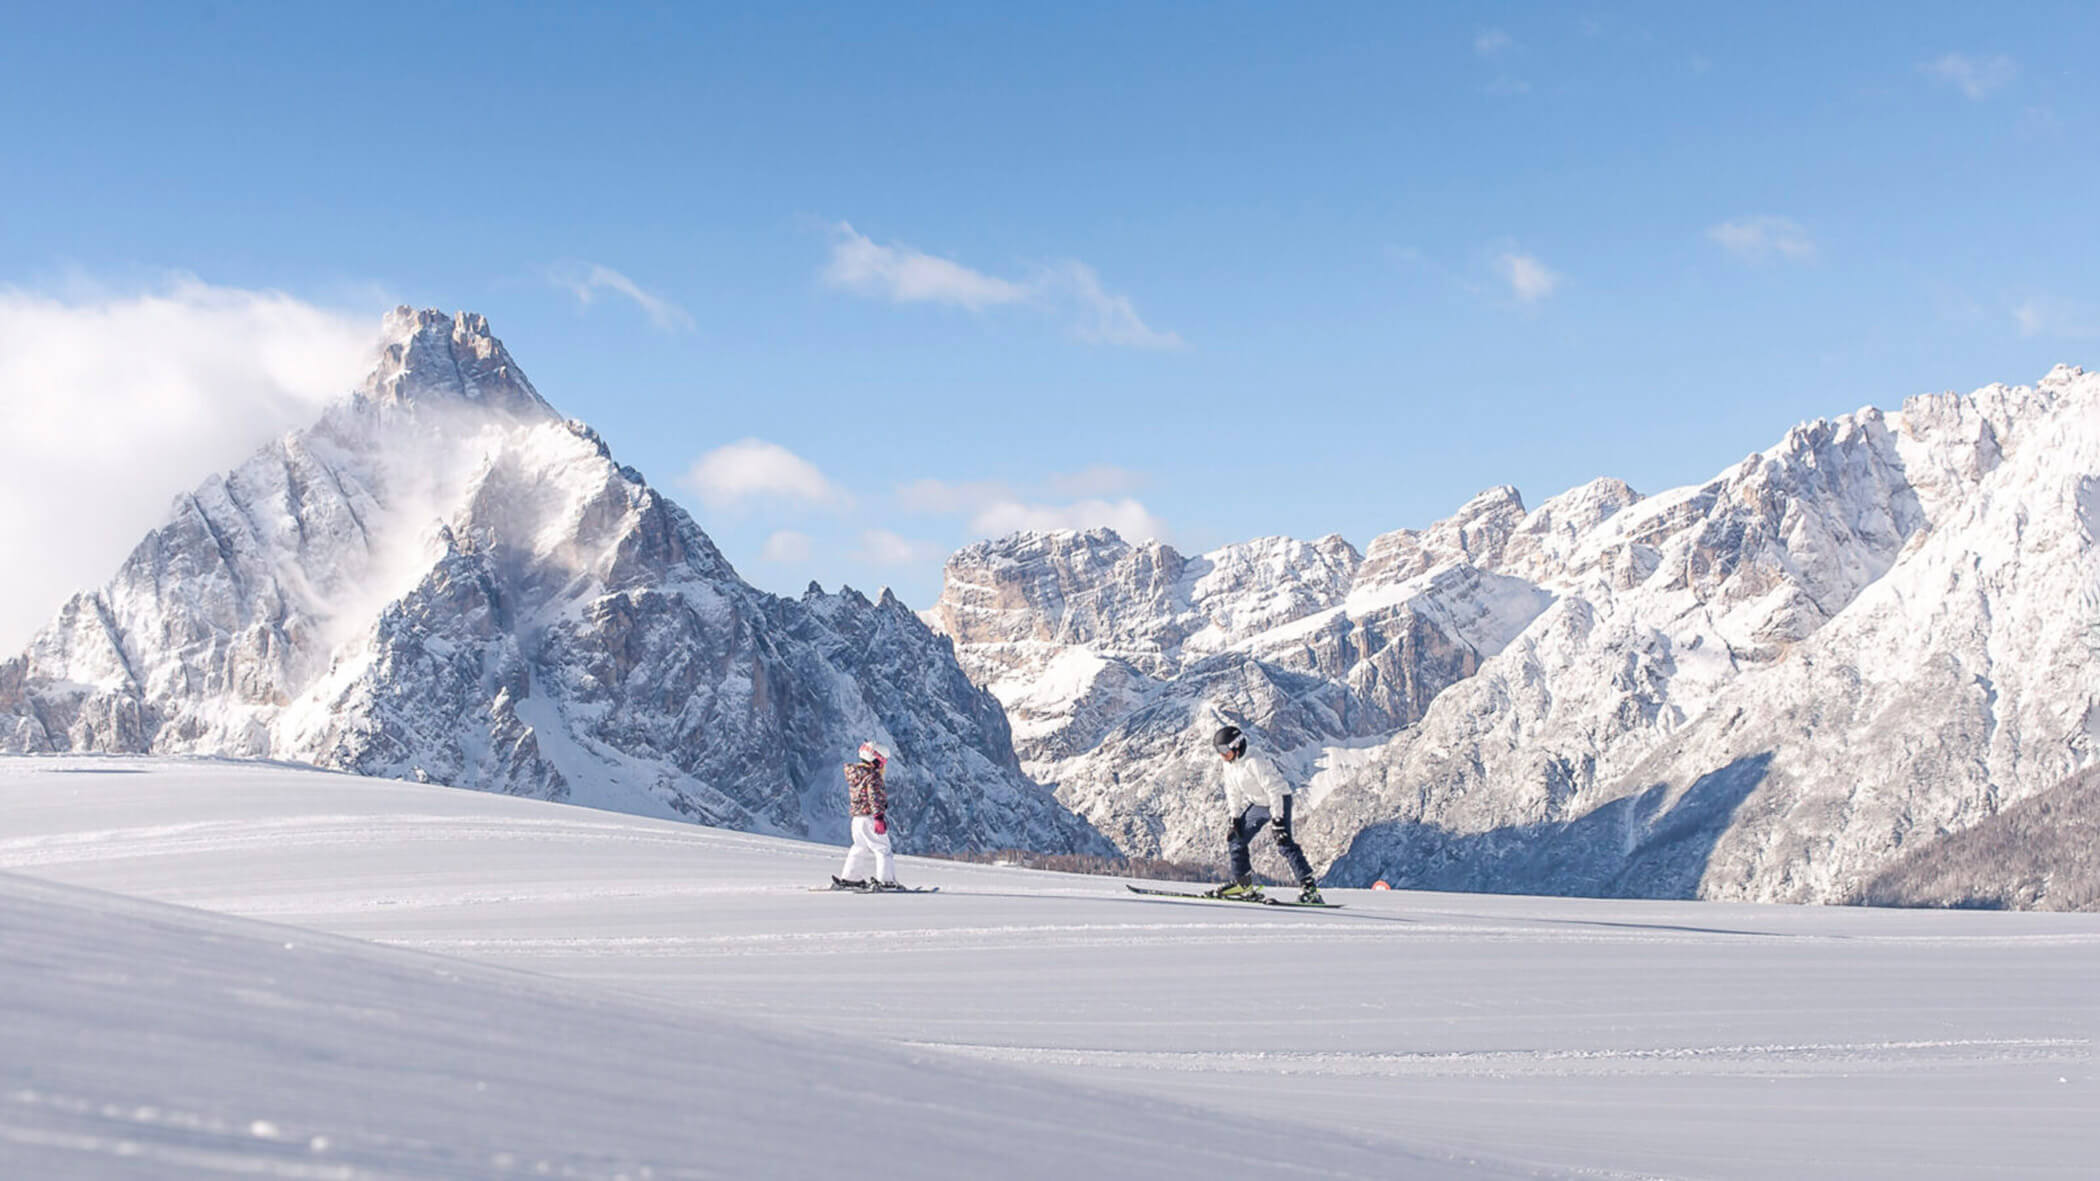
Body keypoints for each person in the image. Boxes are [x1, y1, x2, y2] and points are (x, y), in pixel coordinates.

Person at [1209, 724, 1323, 903]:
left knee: (1283, 842)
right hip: (1259, 804)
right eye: (1218, 751)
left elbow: (1274, 790)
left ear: (1237, 745)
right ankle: (1243, 885)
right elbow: (1232, 791)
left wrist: (1278, 819)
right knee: (1236, 839)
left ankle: (1310, 890)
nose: (1222, 755)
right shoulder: (1229, 764)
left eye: (1224, 750)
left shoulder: (1255, 761)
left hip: (1278, 799)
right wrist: (1235, 817)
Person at [832, 741, 902, 891]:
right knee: (883, 848)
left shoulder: (856, 774)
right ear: (874, 759)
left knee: (859, 847)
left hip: (857, 819)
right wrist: (878, 817)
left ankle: (851, 878)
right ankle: (886, 881)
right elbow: (874, 797)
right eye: (882, 760)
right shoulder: (873, 777)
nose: (883, 765)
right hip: (870, 817)